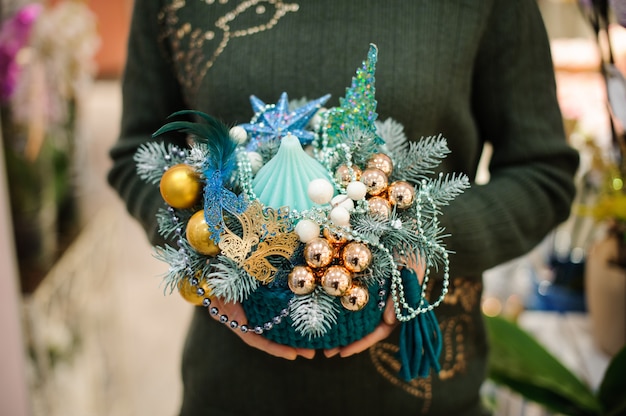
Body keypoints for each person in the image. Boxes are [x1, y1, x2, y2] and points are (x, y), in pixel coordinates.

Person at [107, 1, 580, 415]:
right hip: (235, 392)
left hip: (423, 394)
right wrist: (209, 246)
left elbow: (543, 172)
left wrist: (415, 244)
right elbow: (139, 152)